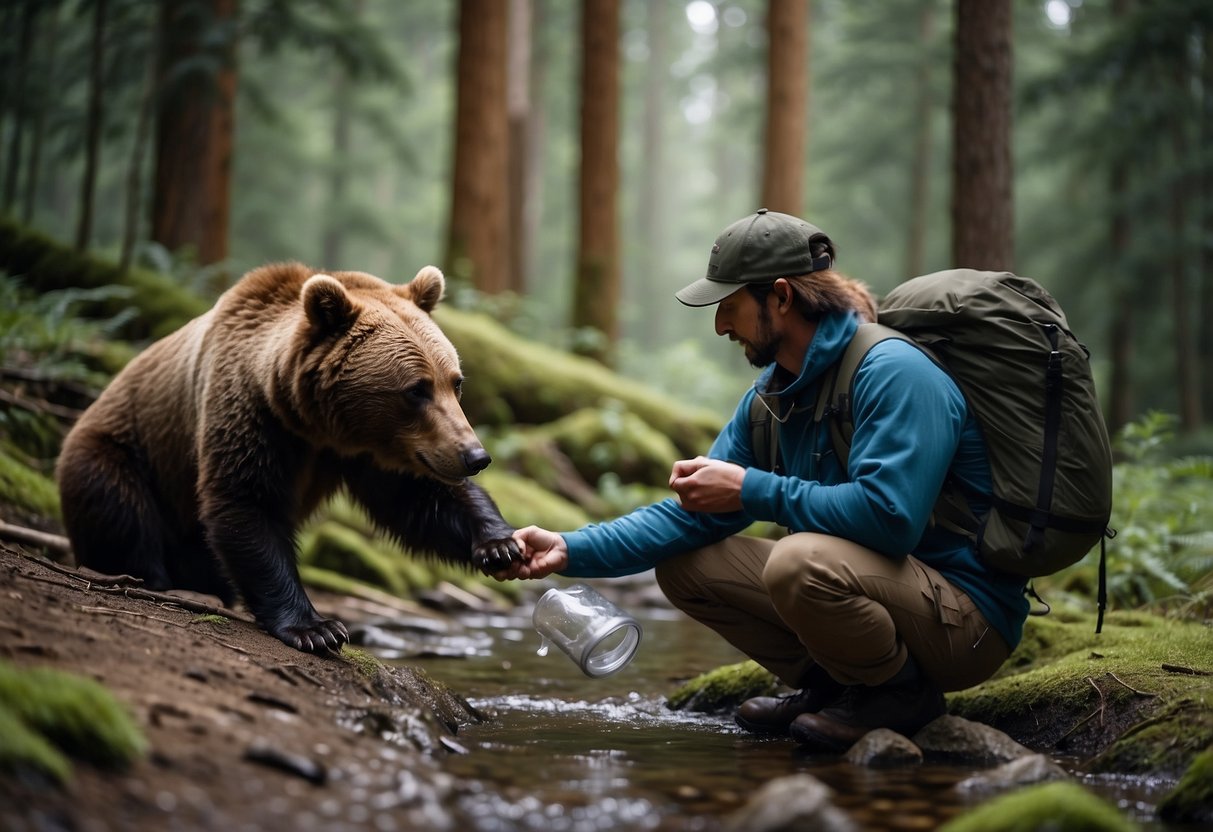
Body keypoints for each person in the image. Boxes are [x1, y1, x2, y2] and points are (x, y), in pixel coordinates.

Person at [496, 209, 1029, 752]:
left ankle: (897, 696)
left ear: (780, 297)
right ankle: (837, 686)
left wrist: (752, 490)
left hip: (964, 620)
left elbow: (891, 520)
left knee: (798, 561)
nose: (720, 325)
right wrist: (568, 547)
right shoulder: (772, 400)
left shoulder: (894, 372)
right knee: (687, 565)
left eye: (729, 307)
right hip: (884, 595)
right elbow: (689, 517)